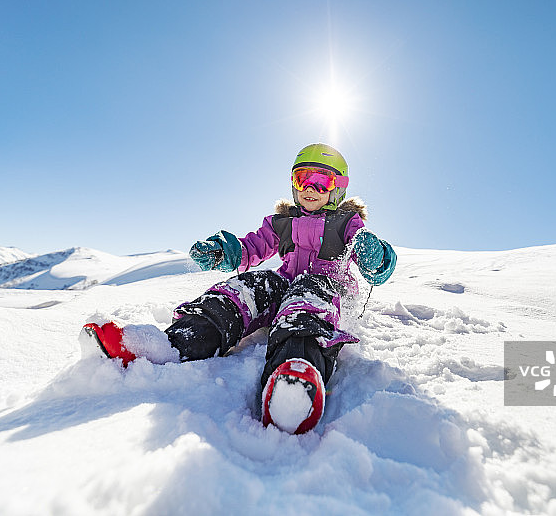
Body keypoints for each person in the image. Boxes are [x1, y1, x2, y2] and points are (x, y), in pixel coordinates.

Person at [83, 143, 396, 434]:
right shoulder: (281, 223)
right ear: (293, 184)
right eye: (303, 180)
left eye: (322, 182)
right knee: (249, 286)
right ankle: (174, 343)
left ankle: (295, 376)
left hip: (327, 291)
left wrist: (376, 256)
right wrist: (225, 250)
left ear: (338, 189)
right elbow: (252, 247)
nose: (311, 189)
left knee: (307, 293)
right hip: (285, 285)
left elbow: (378, 266)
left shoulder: (347, 223)